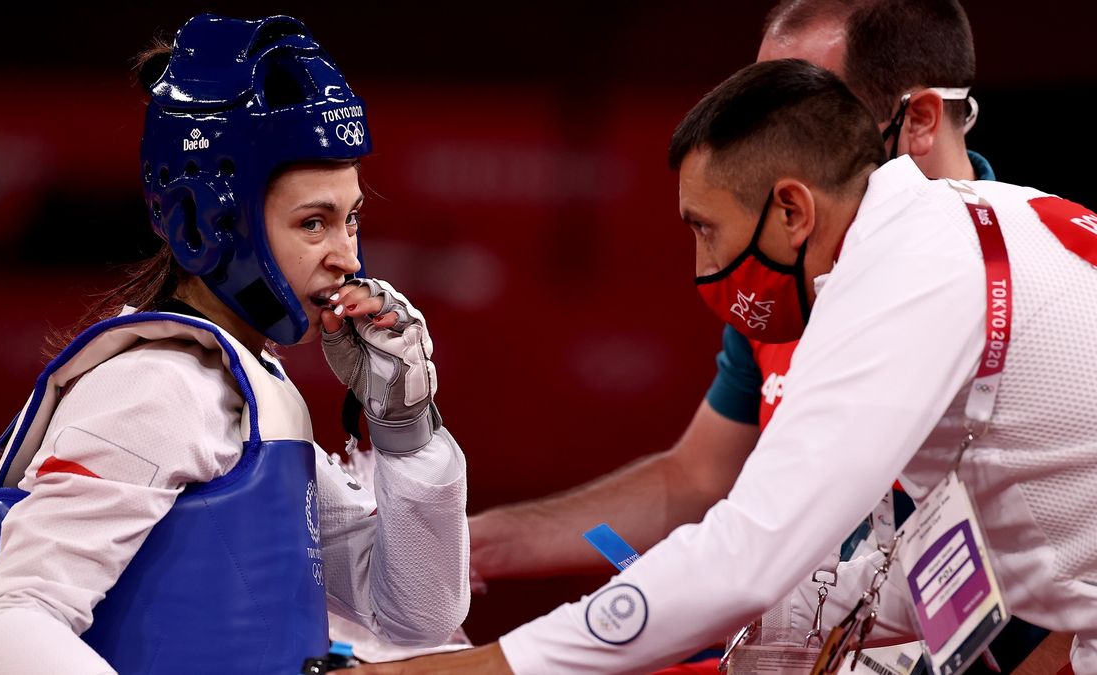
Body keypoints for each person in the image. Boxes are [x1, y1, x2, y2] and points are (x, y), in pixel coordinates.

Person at [351, 57, 1097, 674]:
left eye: (706, 231)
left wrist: (470, 669)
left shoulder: (909, 271)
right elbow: (864, 565)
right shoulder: (960, 223)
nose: (704, 266)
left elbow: (746, 555)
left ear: (793, 211)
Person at [0, 13, 469, 674]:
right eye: (315, 222)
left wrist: (404, 427)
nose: (348, 256)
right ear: (210, 221)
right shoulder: (153, 387)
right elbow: (4, 623)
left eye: (352, 218)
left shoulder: (252, 385)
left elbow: (417, 614)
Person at [470, 0, 988, 589]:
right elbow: (694, 481)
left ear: (919, 119)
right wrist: (484, 547)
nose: (760, 149)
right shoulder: (781, 273)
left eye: (804, 110)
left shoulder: (1029, 274)